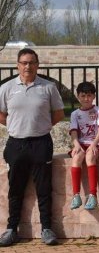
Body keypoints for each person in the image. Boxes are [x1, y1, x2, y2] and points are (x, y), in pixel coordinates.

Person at [0, 48, 64, 246]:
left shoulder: (48, 87)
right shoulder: (7, 88)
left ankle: (46, 229)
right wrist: (17, 126)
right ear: (18, 65)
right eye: (24, 62)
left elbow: (59, 113)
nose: (28, 66)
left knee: (44, 189)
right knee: (15, 189)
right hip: (16, 144)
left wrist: (40, 125)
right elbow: (1, 115)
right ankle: (11, 230)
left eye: (31, 62)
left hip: (41, 143)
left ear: (37, 64)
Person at [69, 81, 99, 211]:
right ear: (78, 96)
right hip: (81, 143)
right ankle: (76, 195)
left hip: (96, 143)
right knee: (76, 158)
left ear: (94, 96)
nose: (86, 99)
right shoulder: (75, 114)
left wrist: (95, 144)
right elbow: (74, 132)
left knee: (90, 156)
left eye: (89, 96)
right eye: (83, 96)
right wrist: (76, 145)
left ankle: (93, 195)